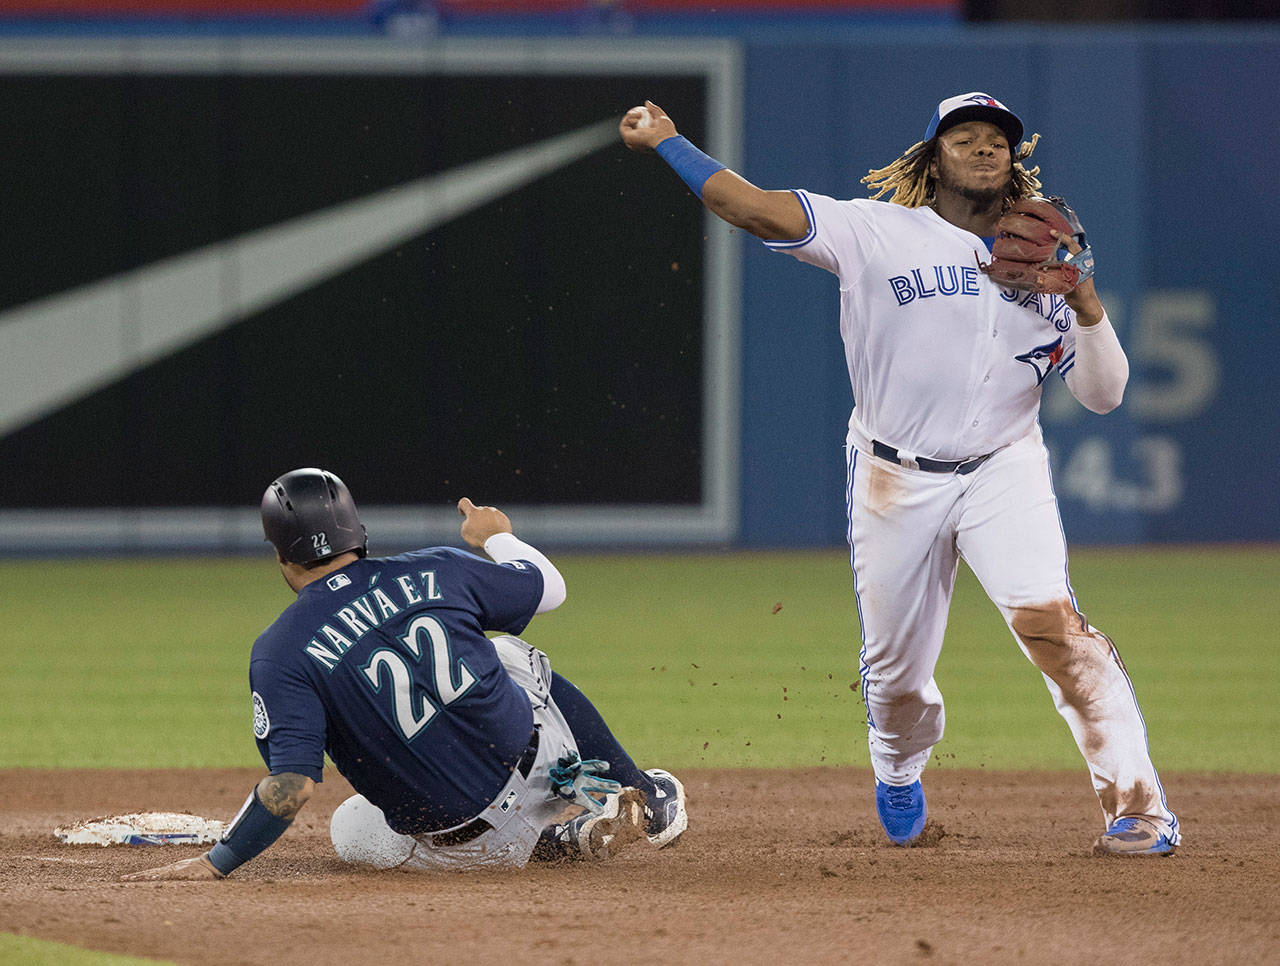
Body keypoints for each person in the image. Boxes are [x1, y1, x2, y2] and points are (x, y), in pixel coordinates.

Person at [620, 93, 1177, 856]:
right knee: (896, 678)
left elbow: (1104, 395)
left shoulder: (1048, 258)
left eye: (997, 141)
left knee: (1057, 629)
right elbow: (751, 210)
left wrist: (1084, 298)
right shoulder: (875, 231)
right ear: (931, 157)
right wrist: (670, 142)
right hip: (895, 476)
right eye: (965, 137)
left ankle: (1139, 808)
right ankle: (898, 766)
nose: (985, 148)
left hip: (1003, 469)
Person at [123, 468, 687, 880]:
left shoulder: (280, 652)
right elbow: (551, 588)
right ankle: (636, 792)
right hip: (543, 760)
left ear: (281, 557)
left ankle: (551, 843)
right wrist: (495, 536)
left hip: (471, 851)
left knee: (350, 825)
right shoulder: (435, 566)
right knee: (512, 653)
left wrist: (216, 863)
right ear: (356, 530)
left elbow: (292, 786)